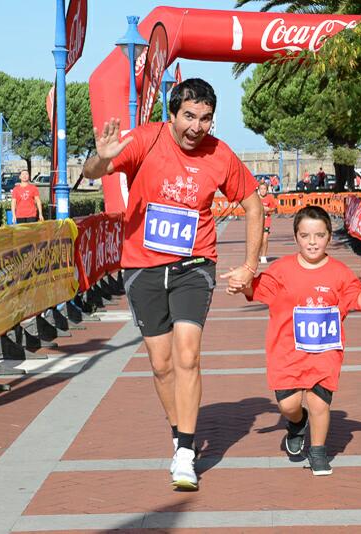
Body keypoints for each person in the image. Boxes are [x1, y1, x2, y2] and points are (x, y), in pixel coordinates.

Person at [83, 78, 263, 490]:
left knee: (188, 354)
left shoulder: (219, 155)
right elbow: (96, 172)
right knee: (162, 365)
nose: (197, 127)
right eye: (189, 117)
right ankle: (179, 434)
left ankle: (185, 452)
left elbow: (253, 204)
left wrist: (250, 265)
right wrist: (100, 157)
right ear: (172, 114)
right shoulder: (146, 140)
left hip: (194, 265)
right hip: (142, 267)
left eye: (205, 119)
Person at [226, 205, 361, 476]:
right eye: (305, 235)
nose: (312, 242)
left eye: (319, 235)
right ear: (296, 237)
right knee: (288, 405)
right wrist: (243, 284)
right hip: (286, 353)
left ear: (329, 237)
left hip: (325, 353)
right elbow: (257, 289)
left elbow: (360, 302)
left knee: (320, 403)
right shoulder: (282, 269)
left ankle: (318, 452)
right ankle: (297, 424)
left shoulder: (340, 273)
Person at [257, 181, 277, 264]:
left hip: (266, 220)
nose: (263, 191)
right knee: (258, 240)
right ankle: (256, 255)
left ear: (267, 190)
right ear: (258, 190)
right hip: (257, 222)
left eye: (264, 189)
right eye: (261, 189)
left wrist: (269, 210)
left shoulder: (270, 197)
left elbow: (274, 208)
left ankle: (263, 256)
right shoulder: (256, 198)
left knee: (264, 239)